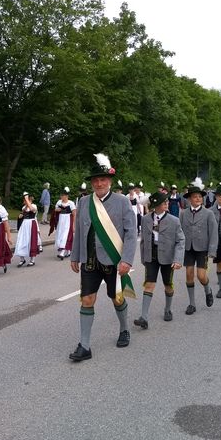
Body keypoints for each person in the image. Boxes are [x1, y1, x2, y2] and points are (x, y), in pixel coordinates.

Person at [68, 153, 136, 362]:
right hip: (90, 260)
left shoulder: (122, 202)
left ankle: (124, 329)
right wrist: (74, 255)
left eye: (103, 179)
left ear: (110, 181)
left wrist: (126, 260)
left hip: (113, 260)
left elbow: (131, 232)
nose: (99, 183)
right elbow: (79, 231)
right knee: (87, 299)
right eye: (95, 180)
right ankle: (85, 346)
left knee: (117, 297)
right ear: (92, 183)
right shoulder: (84, 201)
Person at [134, 191, 184, 328]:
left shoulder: (174, 221)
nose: (167, 204)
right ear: (156, 205)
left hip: (168, 257)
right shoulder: (145, 219)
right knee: (149, 284)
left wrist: (178, 259)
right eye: (164, 203)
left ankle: (168, 309)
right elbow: (143, 240)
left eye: (167, 202)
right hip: (151, 255)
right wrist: (144, 257)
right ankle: (143, 317)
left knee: (168, 284)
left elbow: (181, 240)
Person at [179, 178, 218, 315]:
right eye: (195, 197)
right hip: (188, 248)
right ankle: (192, 304)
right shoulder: (183, 213)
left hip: (202, 248)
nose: (198, 199)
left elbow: (213, 233)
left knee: (201, 276)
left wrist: (212, 250)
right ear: (189, 199)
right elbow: (179, 232)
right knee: (189, 274)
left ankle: (208, 290)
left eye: (200, 196)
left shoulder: (208, 213)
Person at [14, 192, 40, 267]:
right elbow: (23, 213)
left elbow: (32, 209)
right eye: (24, 200)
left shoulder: (34, 206)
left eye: (25, 200)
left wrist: (27, 200)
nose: (24, 201)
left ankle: (32, 260)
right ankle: (22, 259)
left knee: (31, 241)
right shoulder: (24, 208)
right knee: (21, 240)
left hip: (32, 224)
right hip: (24, 225)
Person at [51, 187, 76, 260]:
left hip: (68, 220)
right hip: (61, 220)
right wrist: (57, 209)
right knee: (60, 234)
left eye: (63, 195)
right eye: (61, 195)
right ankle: (68, 251)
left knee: (66, 235)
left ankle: (62, 253)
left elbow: (74, 214)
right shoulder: (59, 202)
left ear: (66, 196)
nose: (61, 197)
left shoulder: (71, 203)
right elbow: (55, 209)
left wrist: (74, 225)